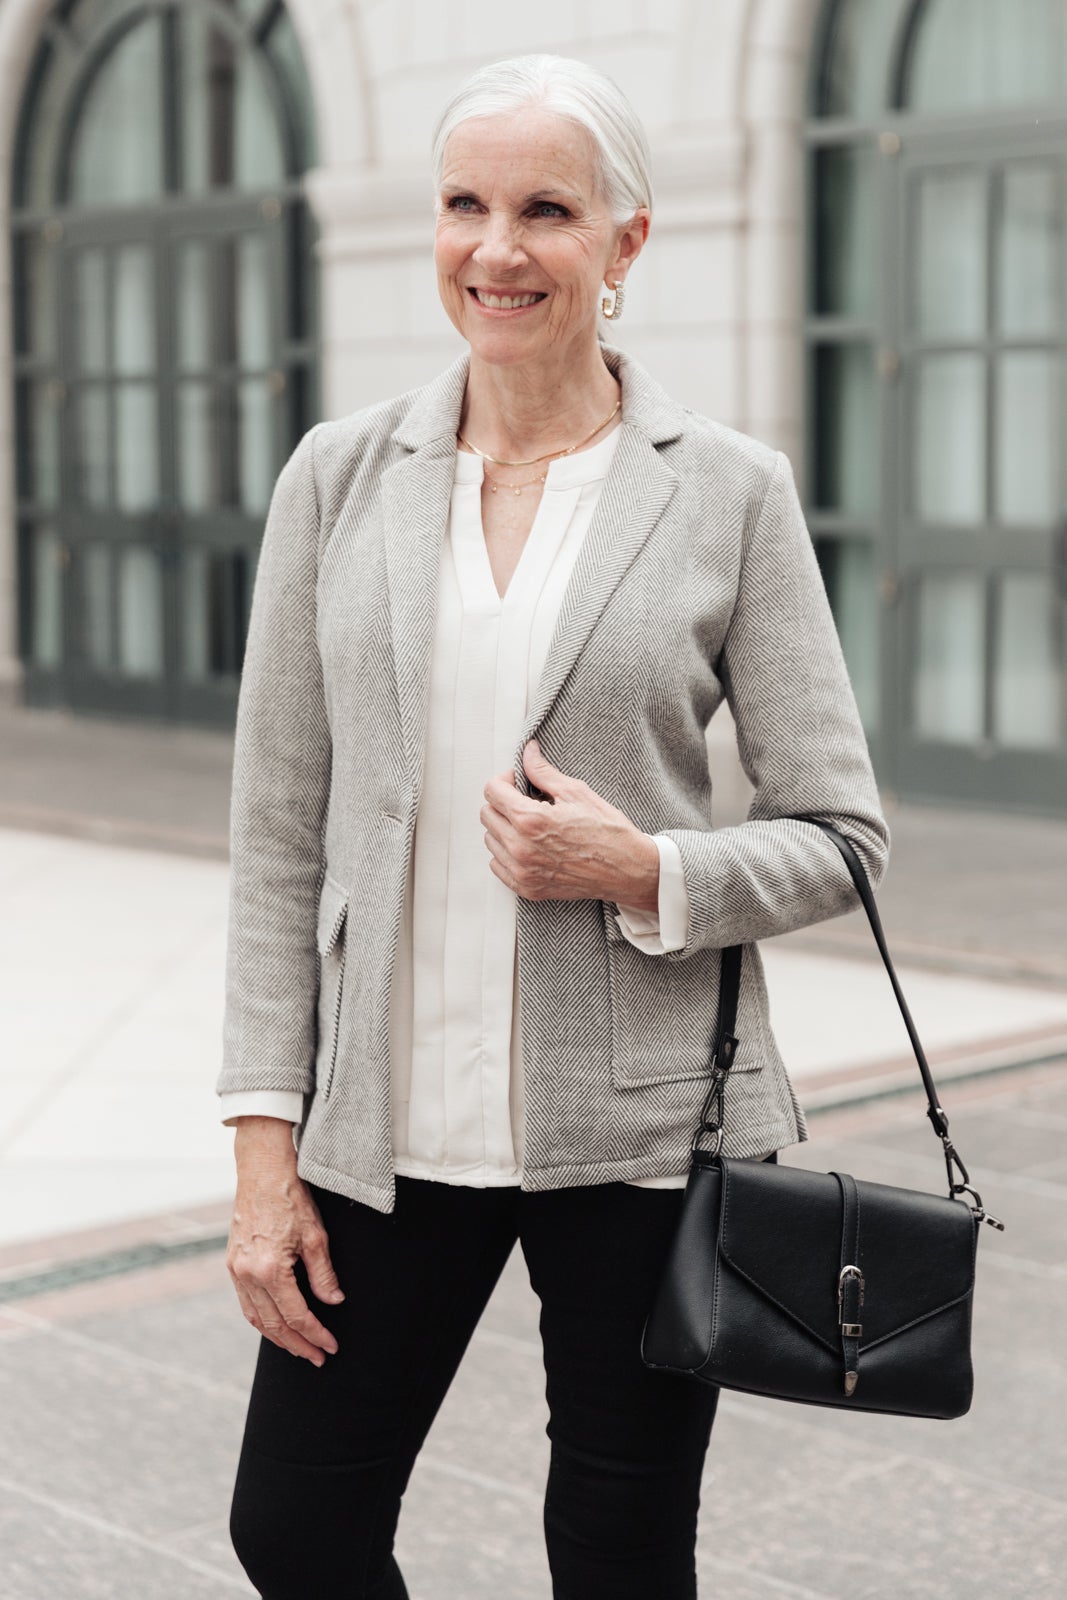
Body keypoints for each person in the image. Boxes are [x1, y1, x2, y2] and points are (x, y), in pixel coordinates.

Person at [217, 52, 889, 1600]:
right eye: (464, 203)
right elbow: (276, 851)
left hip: (642, 1140)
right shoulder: (338, 482)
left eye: (545, 210)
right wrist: (265, 1160)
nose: (496, 248)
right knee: (295, 1526)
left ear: (626, 243)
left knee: (619, 1549)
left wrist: (645, 867)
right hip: (383, 1132)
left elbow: (841, 831)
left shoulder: (727, 493)